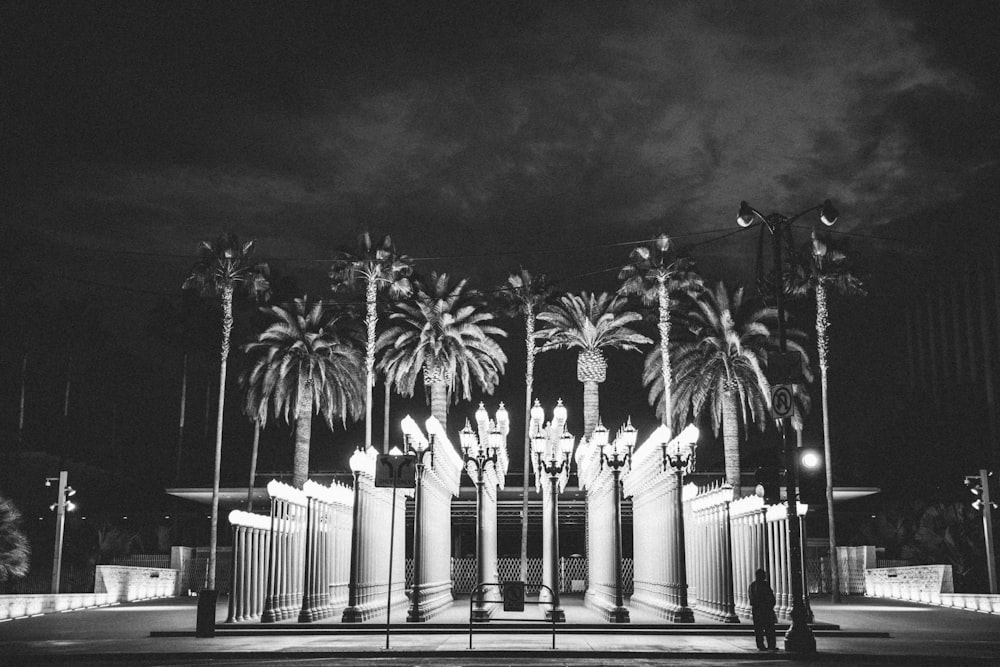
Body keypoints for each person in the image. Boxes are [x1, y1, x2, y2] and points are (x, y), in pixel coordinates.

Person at [749, 568, 777, 651]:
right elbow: (753, 599)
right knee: (763, 629)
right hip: (761, 611)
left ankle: (769, 645)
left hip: (762, 610)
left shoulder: (757, 585)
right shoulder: (756, 586)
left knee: (765, 629)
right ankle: (763, 645)